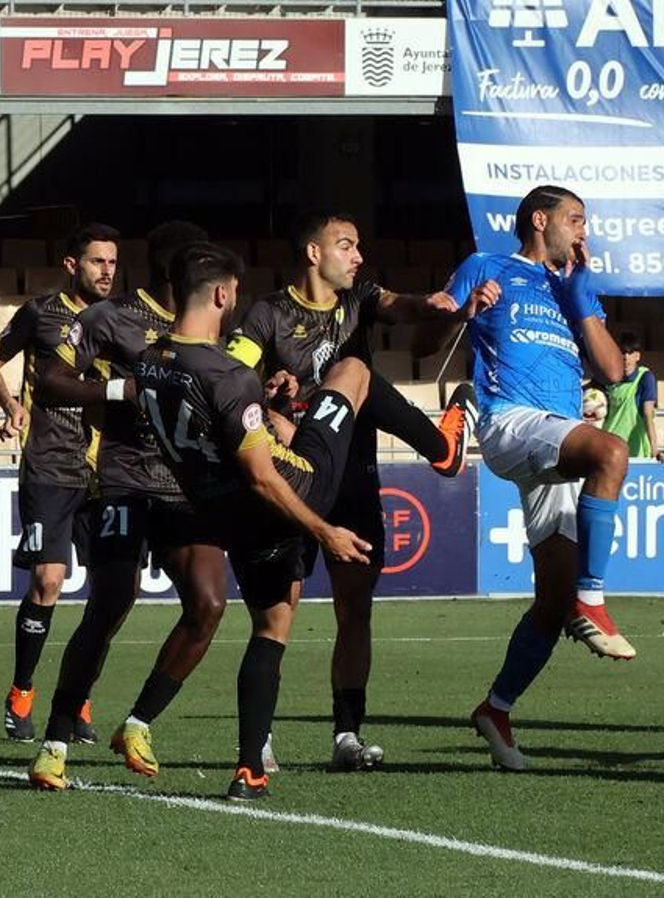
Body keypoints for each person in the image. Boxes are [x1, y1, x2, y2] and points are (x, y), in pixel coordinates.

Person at [224, 210, 478, 772]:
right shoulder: (268, 313)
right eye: (346, 245)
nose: (358, 256)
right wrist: (270, 407)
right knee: (279, 613)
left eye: (359, 246)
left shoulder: (360, 297)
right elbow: (229, 382)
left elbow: (401, 307)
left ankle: (346, 735)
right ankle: (260, 736)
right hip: (296, 479)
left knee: (354, 611)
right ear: (314, 253)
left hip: (355, 482)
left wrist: (441, 305)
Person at [134, 242, 373, 800]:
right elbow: (267, 477)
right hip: (298, 485)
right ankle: (446, 441)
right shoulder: (226, 375)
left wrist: (262, 411)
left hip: (227, 515)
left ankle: (251, 769)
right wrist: (324, 529)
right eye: (234, 293)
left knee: (272, 626)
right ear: (222, 293)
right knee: (355, 371)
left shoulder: (149, 362)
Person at [28, 221, 229, 790]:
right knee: (111, 603)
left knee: (210, 603)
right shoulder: (109, 317)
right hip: (125, 479)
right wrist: (120, 391)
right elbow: (50, 382)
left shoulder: (210, 323)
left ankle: (137, 722)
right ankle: (55, 741)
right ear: (180, 269)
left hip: (188, 484)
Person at [448, 185, 630, 771]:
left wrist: (581, 297)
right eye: (576, 219)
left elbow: (613, 372)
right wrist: (468, 306)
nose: (583, 230)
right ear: (539, 219)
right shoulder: (488, 266)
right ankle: (594, 596)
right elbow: (433, 338)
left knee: (550, 601)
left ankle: (496, 708)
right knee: (611, 453)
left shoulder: (569, 285)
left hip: (555, 433)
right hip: (512, 422)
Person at [0, 223, 118, 744]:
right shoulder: (40, 314)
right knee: (48, 582)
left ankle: (78, 697)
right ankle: (21, 692)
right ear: (71, 265)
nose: (106, 270)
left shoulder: (121, 319)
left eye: (112, 262)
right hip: (50, 465)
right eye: (97, 261)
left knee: (109, 593)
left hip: (107, 471)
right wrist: (13, 405)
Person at [599, 331, 664, 462]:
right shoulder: (608, 378)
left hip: (637, 454)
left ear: (637, 356)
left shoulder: (645, 378)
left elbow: (648, 414)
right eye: (622, 352)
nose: (626, 357)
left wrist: (655, 449)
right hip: (610, 451)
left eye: (630, 353)